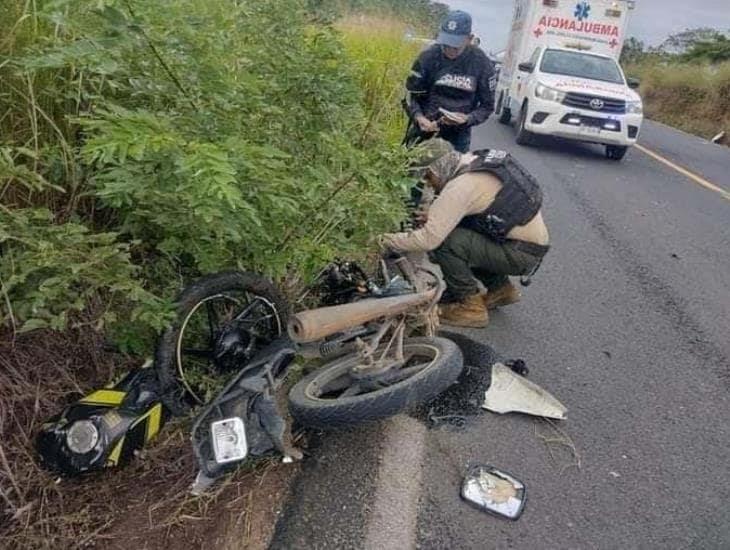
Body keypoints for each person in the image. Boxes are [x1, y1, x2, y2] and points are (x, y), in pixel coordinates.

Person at [380, 142, 550, 328]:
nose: (428, 183)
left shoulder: (460, 186)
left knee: (447, 243)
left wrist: (383, 239)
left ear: (437, 169)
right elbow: (480, 205)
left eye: (428, 176)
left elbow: (428, 240)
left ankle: (470, 307)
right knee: (465, 239)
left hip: (518, 254)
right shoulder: (476, 162)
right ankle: (500, 289)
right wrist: (437, 215)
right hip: (526, 248)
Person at [403, 10, 496, 153]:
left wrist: (468, 118)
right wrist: (418, 117)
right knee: (412, 172)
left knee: (452, 174)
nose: (449, 50)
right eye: (446, 44)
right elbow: (411, 94)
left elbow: (487, 106)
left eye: (455, 46)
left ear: (469, 38)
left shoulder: (481, 63)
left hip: (458, 136)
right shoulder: (428, 57)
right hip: (424, 129)